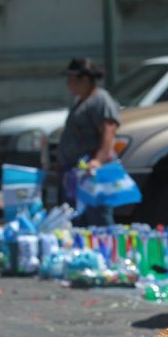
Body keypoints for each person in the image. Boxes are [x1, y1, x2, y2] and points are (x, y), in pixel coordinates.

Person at [56, 58, 121, 227]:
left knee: (98, 218)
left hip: (92, 174)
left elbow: (109, 130)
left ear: (84, 80)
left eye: (71, 79)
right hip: (77, 173)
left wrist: (98, 160)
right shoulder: (78, 101)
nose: (68, 83)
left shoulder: (100, 100)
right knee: (79, 219)